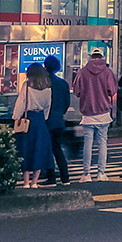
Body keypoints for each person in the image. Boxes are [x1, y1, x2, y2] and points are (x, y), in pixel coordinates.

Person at [70, 50, 118, 181]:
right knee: (102, 143)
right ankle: (101, 173)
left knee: (88, 143)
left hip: (88, 113)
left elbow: (77, 91)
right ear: (102, 57)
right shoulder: (107, 72)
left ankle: (86, 174)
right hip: (103, 112)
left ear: (91, 57)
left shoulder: (82, 72)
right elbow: (112, 90)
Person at [12, 64, 56, 189]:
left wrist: (16, 117)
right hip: (40, 119)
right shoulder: (48, 88)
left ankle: (26, 182)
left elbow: (21, 103)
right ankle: (34, 182)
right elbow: (48, 105)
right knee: (40, 150)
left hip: (28, 119)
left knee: (26, 150)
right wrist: (44, 117)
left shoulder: (27, 85)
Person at [43, 55, 74, 186]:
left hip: (47, 120)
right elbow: (67, 103)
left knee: (48, 149)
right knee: (57, 149)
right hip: (59, 120)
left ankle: (51, 177)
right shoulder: (63, 83)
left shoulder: (44, 83)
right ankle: (65, 177)